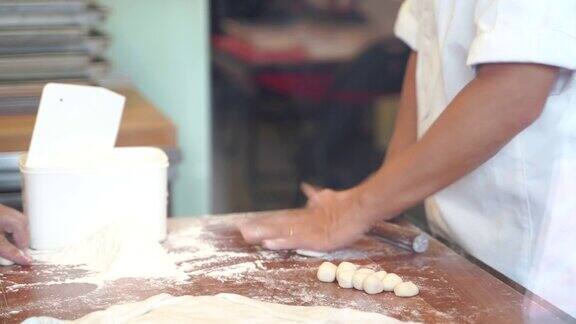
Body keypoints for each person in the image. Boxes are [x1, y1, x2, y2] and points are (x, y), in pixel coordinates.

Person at [239, 0, 576, 317]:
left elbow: (513, 92)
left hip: (533, 268)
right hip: (460, 251)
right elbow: (426, 51)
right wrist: (385, 199)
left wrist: (356, 208)